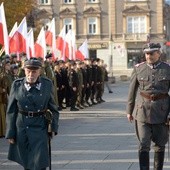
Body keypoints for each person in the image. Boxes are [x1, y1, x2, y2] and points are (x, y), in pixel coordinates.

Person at [5, 58, 60, 170]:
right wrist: (10, 132)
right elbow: (11, 110)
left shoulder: (47, 85)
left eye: (34, 71)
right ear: (24, 70)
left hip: (40, 126)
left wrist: (53, 127)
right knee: (27, 161)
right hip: (22, 127)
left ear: (40, 71)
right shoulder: (17, 85)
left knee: (40, 160)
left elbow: (54, 109)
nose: (31, 74)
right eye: (28, 71)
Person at [126, 42, 170, 170]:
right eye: (146, 53)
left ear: (158, 53)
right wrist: (129, 110)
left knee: (160, 145)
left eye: (151, 53)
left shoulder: (167, 69)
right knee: (143, 143)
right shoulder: (138, 68)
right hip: (142, 111)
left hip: (162, 112)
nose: (148, 56)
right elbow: (132, 91)